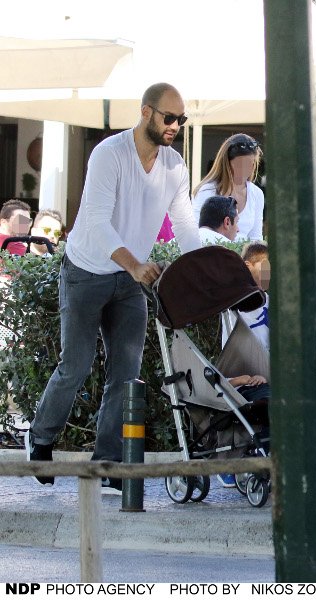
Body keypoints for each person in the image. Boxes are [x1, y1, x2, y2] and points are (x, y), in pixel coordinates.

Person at [24, 82, 202, 493]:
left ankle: (107, 462)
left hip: (128, 282)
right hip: (86, 271)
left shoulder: (174, 166)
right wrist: (136, 264)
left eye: (181, 119)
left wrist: (202, 269)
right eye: (169, 117)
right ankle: (41, 437)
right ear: (146, 112)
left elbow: (185, 225)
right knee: (76, 365)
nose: (175, 126)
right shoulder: (109, 154)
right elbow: (99, 223)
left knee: (126, 374)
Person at [217, 240, 270, 488]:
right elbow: (233, 355)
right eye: (265, 267)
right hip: (246, 378)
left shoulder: (271, 300)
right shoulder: (233, 308)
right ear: (247, 267)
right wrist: (244, 378)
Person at [192, 134, 264, 241]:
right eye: (239, 164)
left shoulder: (256, 193)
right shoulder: (207, 191)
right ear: (226, 164)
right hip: (213, 249)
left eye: (250, 164)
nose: (244, 170)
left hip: (244, 251)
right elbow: (196, 232)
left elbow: (256, 237)